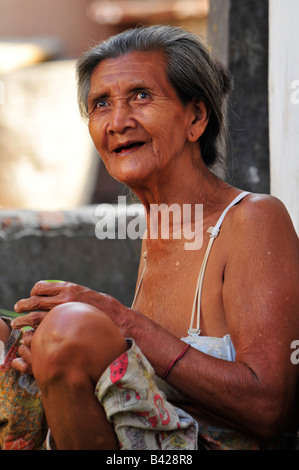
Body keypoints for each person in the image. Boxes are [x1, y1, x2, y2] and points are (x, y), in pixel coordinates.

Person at [1, 25, 298, 450]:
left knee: (72, 326)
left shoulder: (252, 220)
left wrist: (120, 321)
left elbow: (271, 410)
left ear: (195, 118)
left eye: (141, 95)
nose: (118, 121)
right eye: (101, 103)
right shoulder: (154, 228)